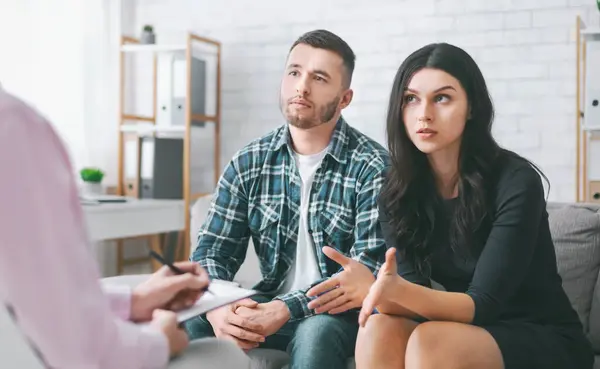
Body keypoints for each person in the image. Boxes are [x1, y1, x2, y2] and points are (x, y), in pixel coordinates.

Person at [351, 42, 595, 369]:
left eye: (442, 98)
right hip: (465, 329)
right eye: (411, 99)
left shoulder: (516, 181)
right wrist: (375, 293)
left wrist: (395, 293)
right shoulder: (396, 191)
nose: (423, 113)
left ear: (472, 108)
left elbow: (485, 304)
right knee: (377, 327)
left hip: (539, 334)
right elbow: (415, 294)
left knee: (430, 341)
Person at [0, 86, 251, 369]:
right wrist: (160, 341)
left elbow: (39, 298)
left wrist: (134, 301)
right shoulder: (14, 128)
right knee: (220, 354)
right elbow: (85, 354)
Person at [187, 29, 389, 368]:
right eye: (294, 72)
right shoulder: (250, 161)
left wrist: (286, 308)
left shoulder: (373, 167)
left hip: (341, 315)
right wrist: (220, 308)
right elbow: (211, 252)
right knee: (190, 320)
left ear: (344, 98)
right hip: (270, 303)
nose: (301, 86)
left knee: (316, 333)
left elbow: (367, 269)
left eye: (319, 78)